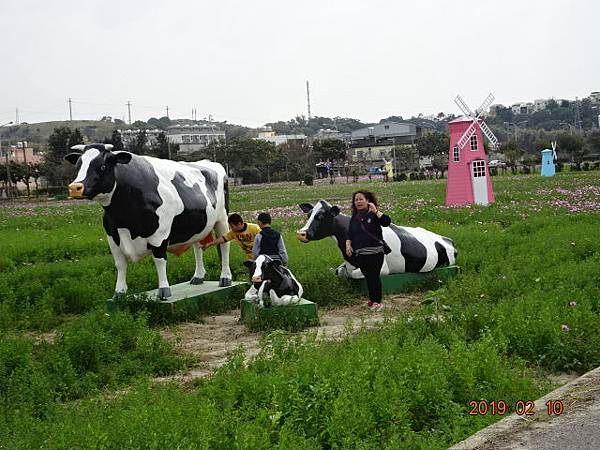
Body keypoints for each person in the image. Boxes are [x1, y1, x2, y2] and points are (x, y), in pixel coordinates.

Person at [345, 190, 391, 310]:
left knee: (374, 276)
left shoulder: (374, 215)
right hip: (361, 253)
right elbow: (350, 233)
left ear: (368, 201)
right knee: (367, 276)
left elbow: (387, 222)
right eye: (356, 200)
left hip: (375, 252)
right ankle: (372, 299)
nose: (358, 202)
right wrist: (348, 244)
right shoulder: (354, 218)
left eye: (361, 199)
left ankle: (378, 302)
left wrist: (376, 211)